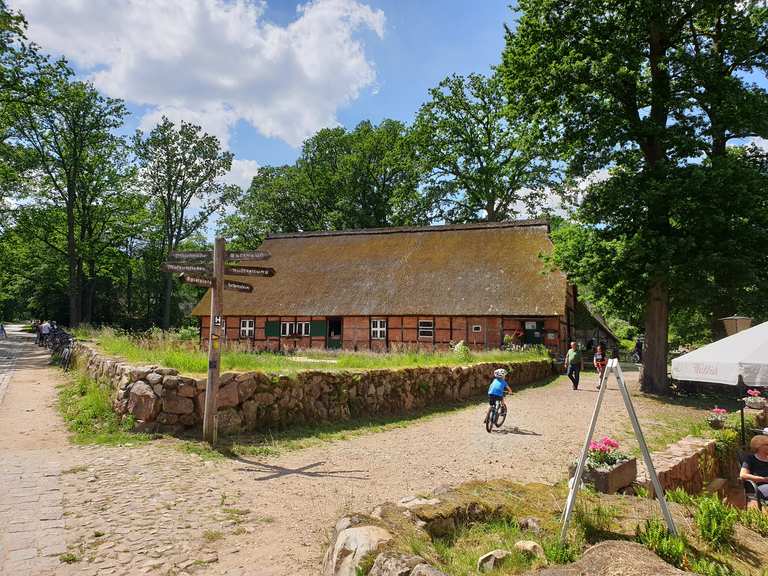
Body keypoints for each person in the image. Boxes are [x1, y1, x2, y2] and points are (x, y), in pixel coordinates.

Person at [740, 434, 768, 510]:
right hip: (761, 485)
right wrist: (763, 479)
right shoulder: (750, 459)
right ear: (758, 446)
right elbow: (743, 475)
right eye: (767, 444)